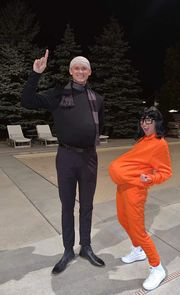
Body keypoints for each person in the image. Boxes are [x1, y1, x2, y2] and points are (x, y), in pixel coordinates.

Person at [22, 49, 105, 274]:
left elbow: (98, 125)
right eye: (76, 67)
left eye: (84, 67)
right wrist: (35, 74)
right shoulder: (58, 94)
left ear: (89, 72)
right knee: (67, 206)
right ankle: (68, 250)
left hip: (89, 158)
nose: (80, 70)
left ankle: (85, 246)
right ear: (70, 71)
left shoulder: (97, 99)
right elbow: (28, 101)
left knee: (87, 205)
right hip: (67, 157)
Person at [109, 106, 172, 291]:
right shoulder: (144, 140)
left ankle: (156, 267)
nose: (145, 124)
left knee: (138, 230)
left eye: (149, 121)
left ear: (157, 123)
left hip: (135, 190)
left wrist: (151, 178)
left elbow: (166, 172)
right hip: (123, 186)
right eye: (143, 120)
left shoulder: (160, 144)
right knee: (122, 220)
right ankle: (137, 251)